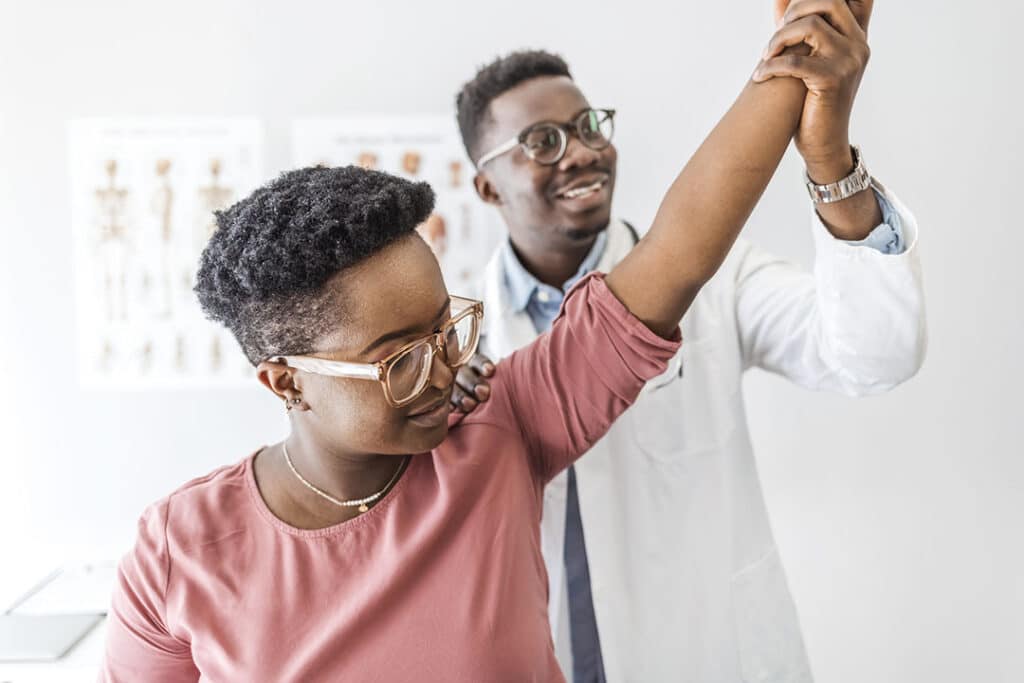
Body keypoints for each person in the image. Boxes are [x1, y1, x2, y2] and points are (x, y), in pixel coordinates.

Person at [103, 13, 823, 683]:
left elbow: (677, 252)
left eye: (448, 329)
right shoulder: (179, 554)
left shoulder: (495, 433)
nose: (449, 370)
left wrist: (796, 62)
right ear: (286, 382)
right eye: (402, 360)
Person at [453, 2, 925, 681]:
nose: (581, 150)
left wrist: (830, 160)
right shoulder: (456, 345)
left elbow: (877, 353)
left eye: (588, 126)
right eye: (543, 141)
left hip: (710, 655)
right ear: (486, 185)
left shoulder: (718, 278)